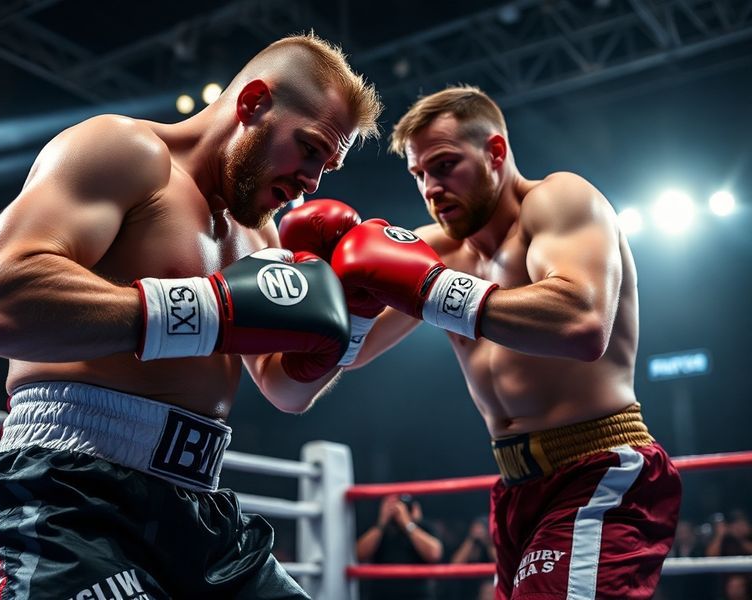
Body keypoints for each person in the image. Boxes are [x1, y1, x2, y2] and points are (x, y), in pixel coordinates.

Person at [0, 33, 382, 599]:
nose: (312, 181)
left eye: (328, 165)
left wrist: (352, 318)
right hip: (69, 491)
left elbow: (285, 390)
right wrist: (205, 308)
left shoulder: (262, 234)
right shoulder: (126, 152)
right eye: (308, 148)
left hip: (198, 508)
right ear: (253, 103)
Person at [278, 85, 682, 599]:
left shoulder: (557, 201)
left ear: (495, 152)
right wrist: (335, 305)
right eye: (419, 174)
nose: (431, 188)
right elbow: (353, 354)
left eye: (445, 166)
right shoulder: (434, 250)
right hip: (515, 489)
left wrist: (433, 291)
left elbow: (582, 322)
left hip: (599, 469)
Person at [356, 494, 443, 600]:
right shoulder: (378, 529)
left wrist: (407, 524)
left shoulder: (423, 527)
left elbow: (434, 553)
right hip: (382, 596)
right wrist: (381, 524)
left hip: (418, 595)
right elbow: (359, 554)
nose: (400, 511)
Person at [449, 515, 496, 599]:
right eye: (476, 528)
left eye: (481, 528)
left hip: (490, 587)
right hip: (469, 590)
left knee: (488, 588)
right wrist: (472, 539)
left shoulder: (491, 544)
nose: (478, 531)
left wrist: (487, 541)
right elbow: (454, 566)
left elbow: (499, 561)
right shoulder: (468, 544)